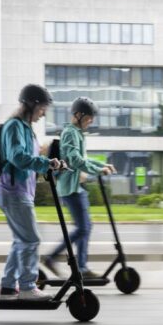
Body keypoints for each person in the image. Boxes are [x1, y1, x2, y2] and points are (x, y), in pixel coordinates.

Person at [0, 84, 62, 301]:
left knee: (21, 241)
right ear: (32, 105)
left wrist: (50, 162)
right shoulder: (14, 126)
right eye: (42, 108)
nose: (43, 114)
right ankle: (27, 288)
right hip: (13, 192)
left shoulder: (26, 128)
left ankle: (7, 288)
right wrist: (45, 163)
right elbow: (18, 157)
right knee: (31, 240)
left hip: (20, 192)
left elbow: (30, 159)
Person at [43, 97, 115, 278]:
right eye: (89, 117)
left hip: (77, 187)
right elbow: (75, 160)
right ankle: (52, 258)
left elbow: (84, 159)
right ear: (78, 115)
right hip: (70, 187)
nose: (91, 121)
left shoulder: (77, 133)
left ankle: (82, 267)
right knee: (83, 228)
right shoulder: (70, 133)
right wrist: (98, 171)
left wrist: (102, 166)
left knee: (86, 226)